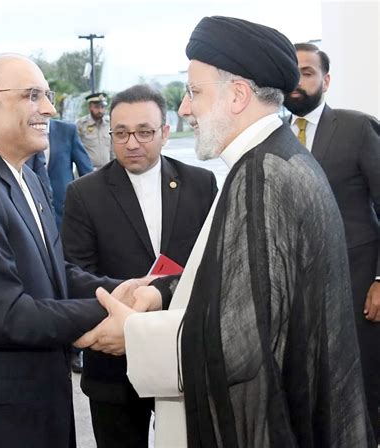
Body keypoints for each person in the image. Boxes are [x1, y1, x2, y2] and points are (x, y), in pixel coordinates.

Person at [75, 16, 376, 447]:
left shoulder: (262, 176)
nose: (183, 109)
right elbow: (242, 276)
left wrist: (133, 336)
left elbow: (240, 343)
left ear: (237, 95)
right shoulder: (274, 159)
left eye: (194, 92)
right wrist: (162, 293)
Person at [0, 53, 148, 448]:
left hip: (30, 409)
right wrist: (113, 310)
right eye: (32, 95)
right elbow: (5, 314)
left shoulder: (26, 178)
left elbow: (54, 274)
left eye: (47, 94)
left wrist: (126, 288)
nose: (49, 108)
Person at [62, 84, 217, 447]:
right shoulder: (84, 193)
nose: (132, 143)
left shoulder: (200, 182)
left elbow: (213, 261)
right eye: (121, 133)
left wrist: (162, 296)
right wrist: (132, 293)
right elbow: (72, 271)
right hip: (115, 361)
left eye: (144, 132)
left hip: (183, 350)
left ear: (165, 132)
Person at [284, 42, 380, 440]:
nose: (298, 81)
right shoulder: (270, 136)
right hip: (296, 294)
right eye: (292, 72)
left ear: (326, 80)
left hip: (358, 287)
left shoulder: (357, 128)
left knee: (364, 390)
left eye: (307, 72)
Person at [76, 92, 113, 169]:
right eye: (96, 107)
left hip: (107, 170)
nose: (100, 110)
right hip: (87, 171)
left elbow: (113, 149)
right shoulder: (81, 125)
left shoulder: (110, 124)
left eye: (102, 107)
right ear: (90, 107)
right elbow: (76, 150)